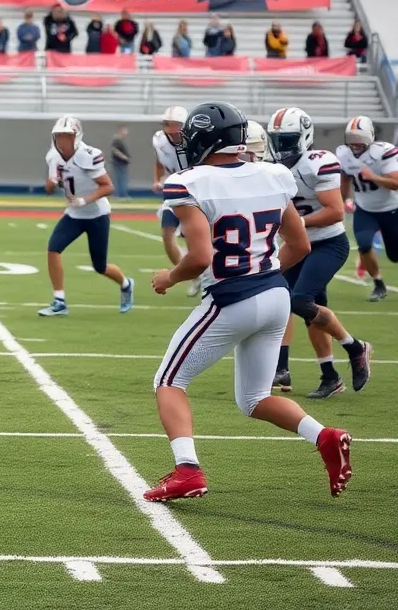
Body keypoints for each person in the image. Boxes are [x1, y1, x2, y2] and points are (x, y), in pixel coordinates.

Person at [144, 101, 351, 502]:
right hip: (275, 295)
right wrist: (264, 273)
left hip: (230, 297)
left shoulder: (189, 182)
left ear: (205, 138)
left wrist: (169, 277)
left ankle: (187, 470)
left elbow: (201, 257)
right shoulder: (274, 174)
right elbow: (300, 243)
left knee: (169, 381)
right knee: (254, 399)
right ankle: (324, 436)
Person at [266, 107, 372, 398]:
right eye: (276, 140)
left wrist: (298, 222)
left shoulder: (317, 163)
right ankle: (330, 375)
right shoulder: (270, 165)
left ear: (304, 137)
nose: (280, 147)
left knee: (300, 300)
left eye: (287, 140)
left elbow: (336, 212)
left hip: (326, 243)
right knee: (298, 306)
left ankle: (355, 347)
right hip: (296, 245)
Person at [38, 116, 134, 317]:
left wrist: (86, 200)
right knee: (53, 249)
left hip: (97, 214)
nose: (62, 141)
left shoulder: (88, 155)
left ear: (76, 137)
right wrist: (53, 180)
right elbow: (48, 189)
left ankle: (126, 284)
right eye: (59, 136)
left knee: (100, 266)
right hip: (73, 214)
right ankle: (59, 301)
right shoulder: (53, 157)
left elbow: (108, 186)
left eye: (67, 136)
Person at [337, 116, 398, 302]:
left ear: (370, 136)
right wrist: (344, 200)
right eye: (351, 137)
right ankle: (379, 285)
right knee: (364, 244)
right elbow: (345, 178)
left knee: (395, 255)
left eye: (360, 137)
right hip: (365, 209)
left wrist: (374, 177)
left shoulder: (384, 152)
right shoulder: (344, 153)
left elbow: (395, 183)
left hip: (392, 208)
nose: (355, 143)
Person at [153, 106, 203, 296]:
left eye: (176, 125)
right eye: (169, 124)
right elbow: (158, 161)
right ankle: (193, 276)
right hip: (174, 193)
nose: (172, 129)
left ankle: (201, 275)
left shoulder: (195, 142)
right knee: (167, 234)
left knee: (193, 241)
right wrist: (158, 179)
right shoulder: (159, 140)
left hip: (195, 195)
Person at [110, 125, 131, 198]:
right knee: (121, 179)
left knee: (122, 179)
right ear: (120, 131)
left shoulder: (121, 140)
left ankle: (121, 194)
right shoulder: (117, 140)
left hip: (122, 163)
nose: (126, 133)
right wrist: (124, 157)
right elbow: (114, 150)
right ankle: (120, 195)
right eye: (125, 131)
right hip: (119, 163)